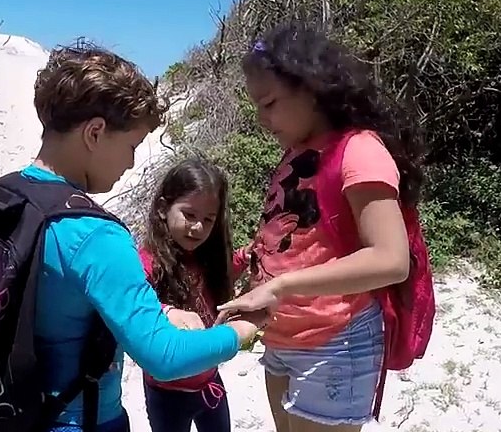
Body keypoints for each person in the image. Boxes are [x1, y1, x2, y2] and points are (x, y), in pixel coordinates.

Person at [31, 42, 264, 432]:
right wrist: (243, 328)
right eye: (132, 145)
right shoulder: (96, 236)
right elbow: (164, 356)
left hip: (6, 411)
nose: (132, 161)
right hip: (79, 419)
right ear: (95, 132)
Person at [217, 22, 426, 432]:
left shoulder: (359, 150)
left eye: (270, 103)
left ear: (311, 89)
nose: (262, 119)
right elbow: (295, 238)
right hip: (282, 336)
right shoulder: (296, 152)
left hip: (336, 341)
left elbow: (390, 259)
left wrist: (281, 287)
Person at [138, 159, 241, 432]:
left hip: (209, 382)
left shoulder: (206, 258)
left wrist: (246, 257)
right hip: (166, 391)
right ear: (163, 209)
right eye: (189, 215)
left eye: (208, 220)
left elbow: (228, 272)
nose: (197, 227)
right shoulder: (150, 261)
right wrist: (167, 310)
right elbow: (132, 299)